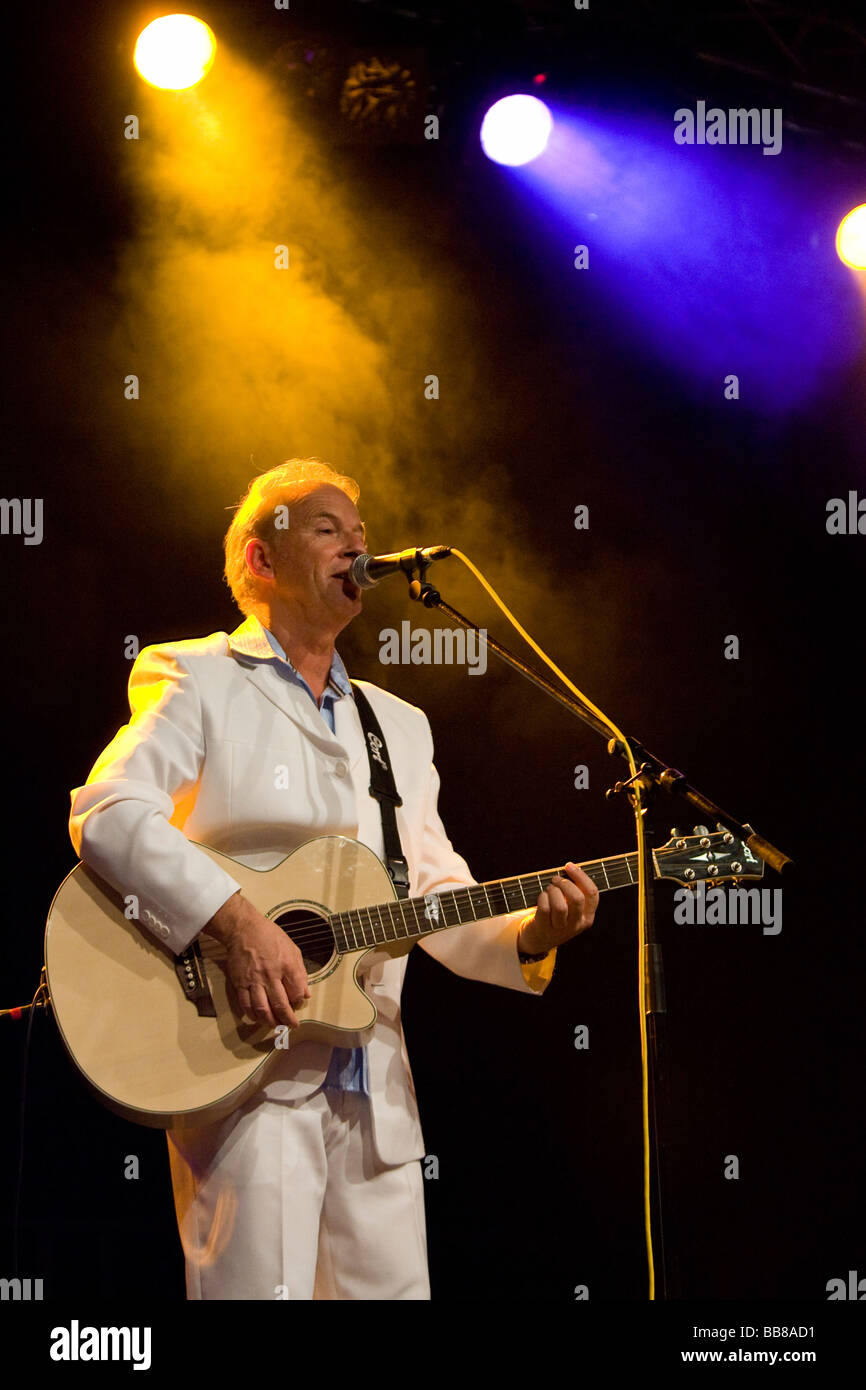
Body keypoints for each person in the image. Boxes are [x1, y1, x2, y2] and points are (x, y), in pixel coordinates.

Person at [68, 456, 599, 1300]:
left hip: (377, 1090)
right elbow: (108, 813)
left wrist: (530, 935)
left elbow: (429, 896)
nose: (358, 547)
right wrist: (238, 924)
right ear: (260, 561)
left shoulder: (400, 726)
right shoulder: (196, 675)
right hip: (245, 1068)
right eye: (327, 530)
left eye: (362, 534)